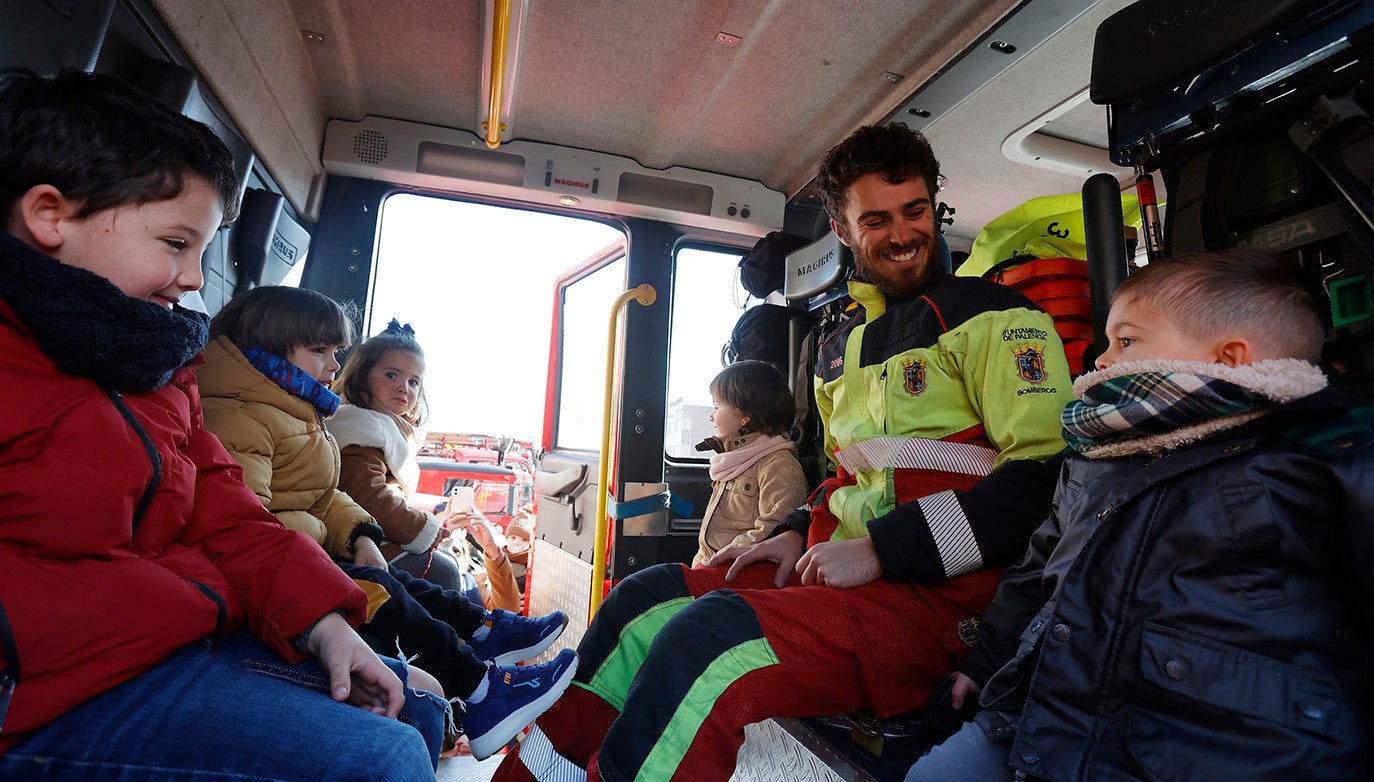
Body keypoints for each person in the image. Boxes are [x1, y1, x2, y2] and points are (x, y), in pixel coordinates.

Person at [496, 123, 1075, 782]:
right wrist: (793, 531)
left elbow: (1046, 479)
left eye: (915, 211)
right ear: (844, 228)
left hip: (937, 606)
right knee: (641, 599)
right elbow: (850, 475)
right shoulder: (841, 346)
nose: (903, 233)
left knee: (710, 640)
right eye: (877, 219)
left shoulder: (998, 319)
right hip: (838, 579)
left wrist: (885, 549)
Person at [0, 69, 443, 779]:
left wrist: (325, 624)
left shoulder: (156, 370)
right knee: (382, 758)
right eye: (176, 244)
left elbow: (228, 517)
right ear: (51, 214)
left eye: (202, 251)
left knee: (415, 708)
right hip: (47, 690)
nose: (196, 280)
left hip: (161, 639)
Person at [907, 250, 1373, 782]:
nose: (1101, 361)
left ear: (1228, 359)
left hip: (1212, 752)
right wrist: (985, 663)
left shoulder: (1320, 455)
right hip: (1041, 721)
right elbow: (1036, 571)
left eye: (1125, 341)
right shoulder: (1094, 456)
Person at [194, 284, 577, 760]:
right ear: (269, 344)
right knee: (379, 590)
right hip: (278, 568)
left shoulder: (293, 409)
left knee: (385, 576)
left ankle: (482, 632)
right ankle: (482, 693)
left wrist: (360, 535)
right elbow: (246, 523)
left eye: (336, 352)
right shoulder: (240, 416)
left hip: (308, 553)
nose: (333, 365)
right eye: (320, 350)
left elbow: (323, 495)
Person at [326, 319, 522, 611]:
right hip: (353, 542)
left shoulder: (386, 429)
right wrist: (424, 529)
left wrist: (434, 527)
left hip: (372, 535)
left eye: (413, 381)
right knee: (443, 570)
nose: (404, 388)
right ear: (362, 376)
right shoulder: (360, 428)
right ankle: (443, 652)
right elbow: (367, 496)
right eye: (392, 375)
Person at [691, 360, 808, 566]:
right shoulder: (734, 461)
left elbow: (773, 532)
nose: (711, 416)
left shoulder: (779, 466)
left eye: (717, 407)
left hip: (732, 571)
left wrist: (716, 563)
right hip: (708, 567)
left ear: (744, 417)